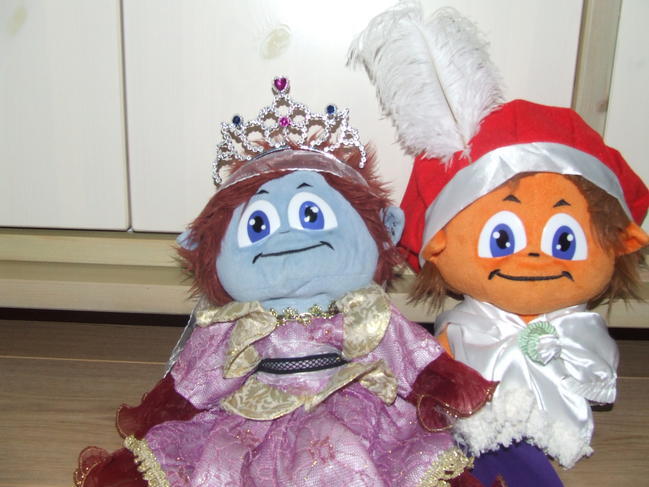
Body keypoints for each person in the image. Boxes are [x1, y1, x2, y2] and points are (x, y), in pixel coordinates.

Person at [74, 77, 497, 487]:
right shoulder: (241, 322)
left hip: (349, 405)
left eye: (310, 215)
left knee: (376, 458)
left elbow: (407, 353)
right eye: (258, 224)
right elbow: (200, 376)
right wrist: (165, 408)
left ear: (380, 230)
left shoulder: (361, 310)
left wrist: (443, 380)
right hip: (255, 411)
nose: (288, 236)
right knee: (213, 459)